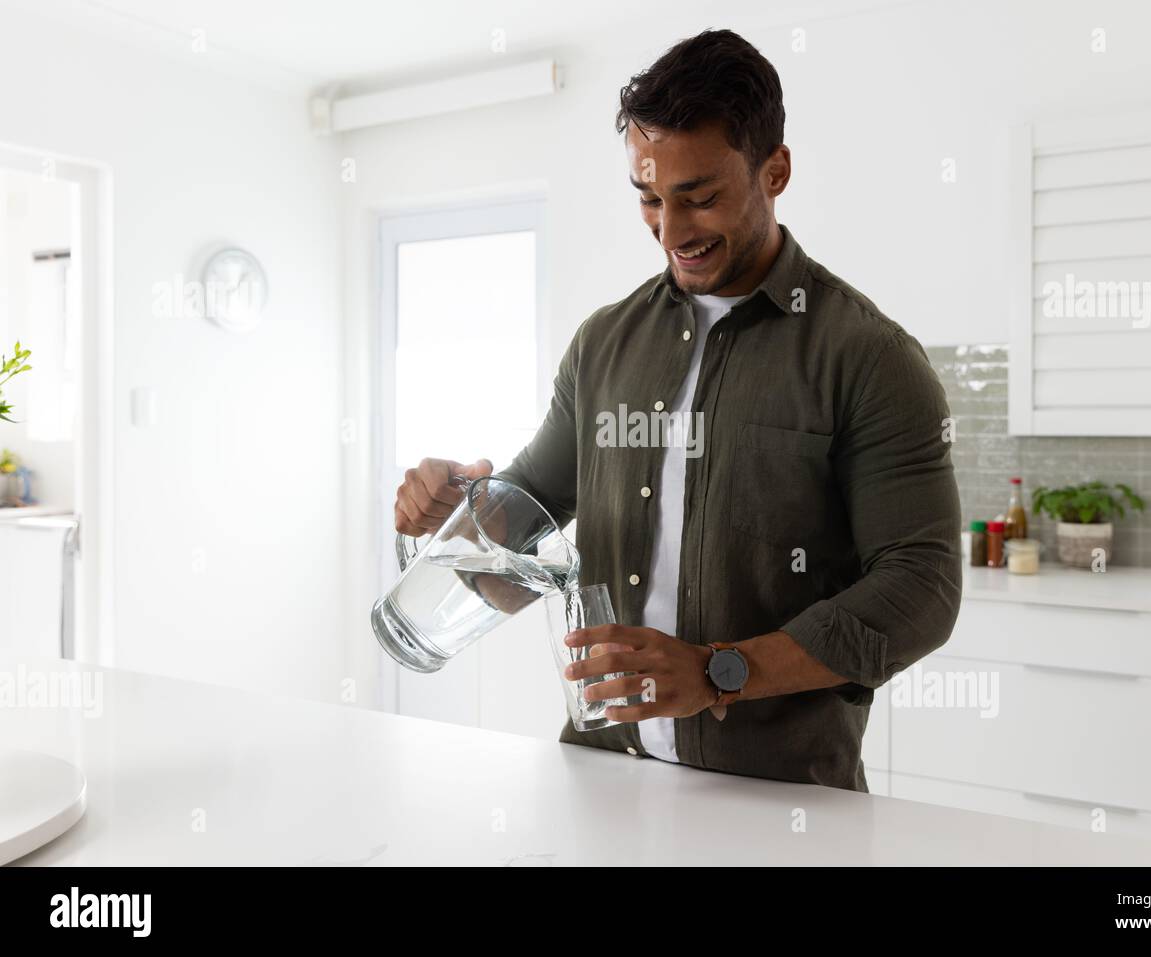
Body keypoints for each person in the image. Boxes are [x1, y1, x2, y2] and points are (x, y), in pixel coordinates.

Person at [393, 29, 961, 791]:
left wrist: (719, 671)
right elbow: (522, 524)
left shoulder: (868, 357)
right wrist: (452, 508)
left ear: (776, 171)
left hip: (780, 800)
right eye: (649, 198)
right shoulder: (603, 345)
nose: (671, 230)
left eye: (699, 197)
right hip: (602, 778)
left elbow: (921, 587)